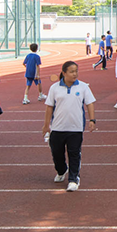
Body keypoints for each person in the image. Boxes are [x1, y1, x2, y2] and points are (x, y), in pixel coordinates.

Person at [43, 60, 96, 191]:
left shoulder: (83, 87)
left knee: (74, 153)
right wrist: (46, 125)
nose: (75, 74)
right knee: (57, 153)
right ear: (64, 73)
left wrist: (92, 120)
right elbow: (49, 107)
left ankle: (73, 179)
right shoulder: (54, 88)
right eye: (72, 71)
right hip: (57, 128)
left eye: (76, 71)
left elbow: (90, 103)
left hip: (76, 128)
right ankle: (62, 171)